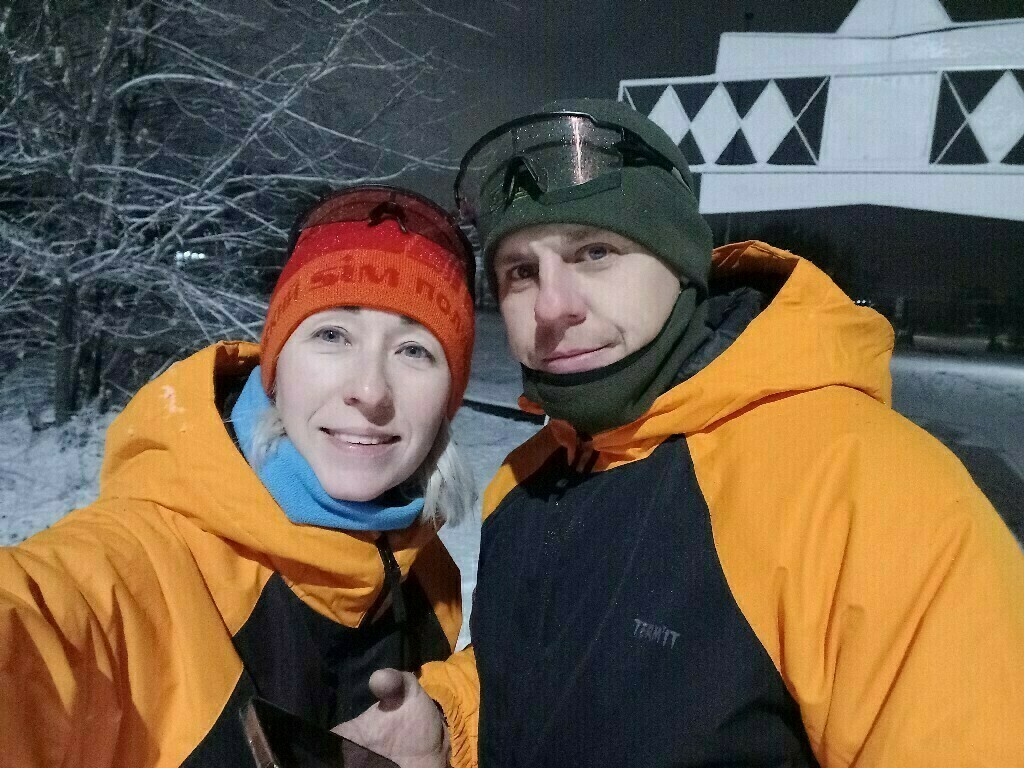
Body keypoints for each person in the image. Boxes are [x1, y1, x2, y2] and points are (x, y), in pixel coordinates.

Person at [340, 100, 1024, 767]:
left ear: (683, 263)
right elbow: (547, 680)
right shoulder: (526, 481)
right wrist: (450, 726)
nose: (552, 306)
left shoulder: (873, 490)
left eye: (595, 252)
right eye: (521, 271)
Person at [0, 184, 477, 766]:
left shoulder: (427, 576)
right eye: (332, 335)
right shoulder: (141, 564)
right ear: (277, 366)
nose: (370, 391)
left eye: (414, 350)